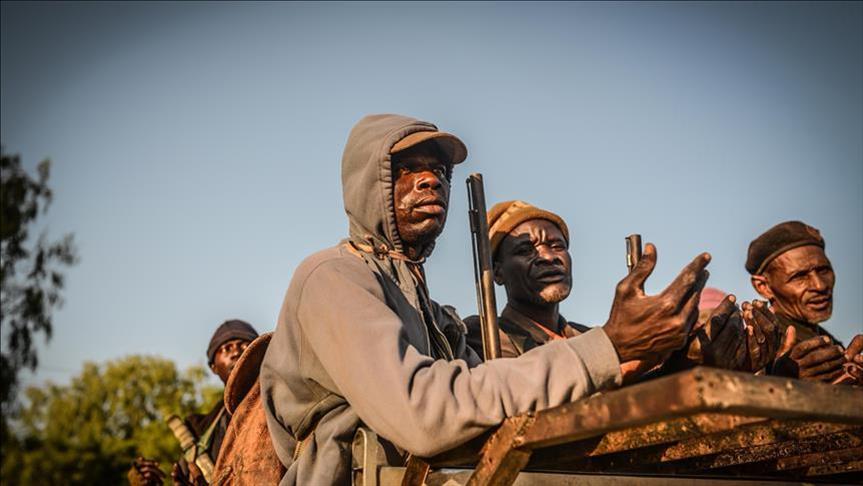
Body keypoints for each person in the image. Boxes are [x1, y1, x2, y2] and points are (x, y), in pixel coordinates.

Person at [260, 114, 712, 485]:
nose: (429, 182)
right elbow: (423, 412)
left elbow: (490, 394)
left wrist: (644, 360)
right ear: (368, 182)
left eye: (438, 173)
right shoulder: (334, 277)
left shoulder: (431, 312)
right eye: (406, 170)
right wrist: (606, 348)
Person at [464, 201, 779, 375]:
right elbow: (538, 390)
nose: (547, 257)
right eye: (524, 250)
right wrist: (635, 355)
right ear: (498, 273)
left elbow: (637, 397)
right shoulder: (484, 335)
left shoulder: (588, 336)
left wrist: (695, 362)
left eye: (557, 245)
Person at [129, 319, 259, 485]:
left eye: (243, 345)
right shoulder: (201, 435)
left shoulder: (283, 402)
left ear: (260, 354)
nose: (235, 353)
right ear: (213, 367)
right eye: (226, 349)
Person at [747, 220, 862, 383]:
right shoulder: (758, 344)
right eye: (799, 277)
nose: (820, 285)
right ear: (763, 286)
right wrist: (783, 381)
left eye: (823, 270)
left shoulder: (828, 340)